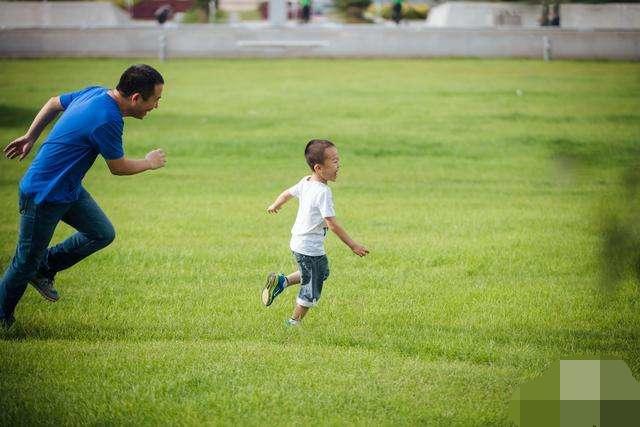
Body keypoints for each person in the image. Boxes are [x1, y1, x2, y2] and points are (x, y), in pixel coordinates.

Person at [0, 64, 166, 330]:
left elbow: (54, 103)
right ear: (136, 98)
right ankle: (2, 318)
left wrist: (31, 135)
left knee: (101, 232)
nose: (156, 106)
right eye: (155, 99)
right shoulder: (107, 119)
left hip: (68, 189)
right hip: (44, 194)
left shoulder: (95, 93)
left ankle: (44, 267)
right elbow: (118, 167)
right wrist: (149, 162)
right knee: (22, 264)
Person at [262, 139, 369, 326]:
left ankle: (282, 282)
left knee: (321, 272)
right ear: (319, 168)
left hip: (298, 242)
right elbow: (332, 224)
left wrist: (275, 204)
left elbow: (287, 193)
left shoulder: (306, 181)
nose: (339, 165)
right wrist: (353, 245)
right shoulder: (323, 192)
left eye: (338, 160)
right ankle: (293, 322)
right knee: (312, 285)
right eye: (334, 161)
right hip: (309, 248)